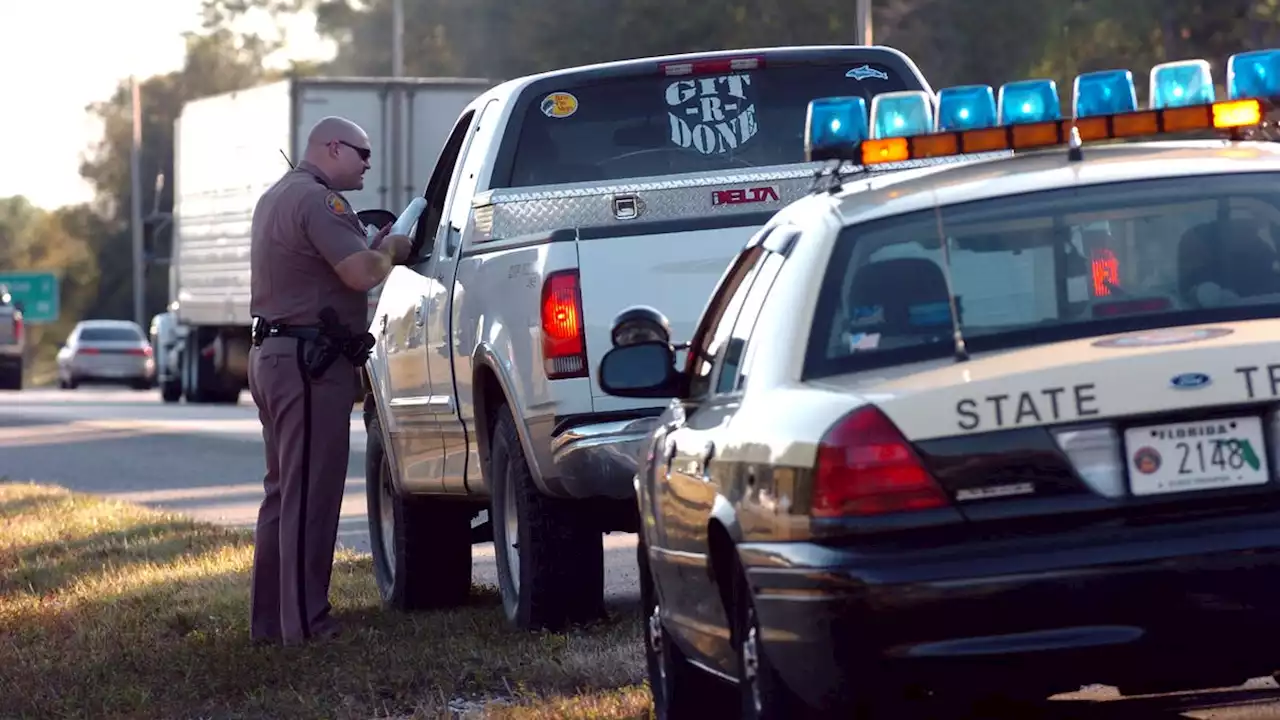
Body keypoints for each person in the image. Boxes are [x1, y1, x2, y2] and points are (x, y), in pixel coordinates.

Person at [247, 115, 412, 645]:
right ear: (333, 148)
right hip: (307, 364)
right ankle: (307, 626)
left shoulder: (279, 195)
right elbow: (361, 273)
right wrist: (392, 249)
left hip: (278, 355)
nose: (369, 163)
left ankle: (272, 623)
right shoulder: (319, 201)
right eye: (363, 153)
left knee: (283, 494)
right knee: (310, 495)